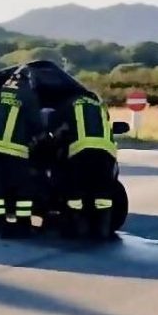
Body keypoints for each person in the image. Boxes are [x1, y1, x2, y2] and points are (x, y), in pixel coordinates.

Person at [0, 66, 44, 237]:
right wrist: (41, 137)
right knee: (23, 189)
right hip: (15, 150)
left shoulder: (1, 92)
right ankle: (23, 225)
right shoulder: (28, 95)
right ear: (29, 80)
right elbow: (36, 123)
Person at [50, 93, 119, 241]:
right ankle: (102, 230)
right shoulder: (100, 106)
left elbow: (54, 124)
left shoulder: (70, 103)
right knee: (103, 193)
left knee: (76, 190)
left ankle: (75, 229)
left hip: (82, 151)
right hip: (106, 152)